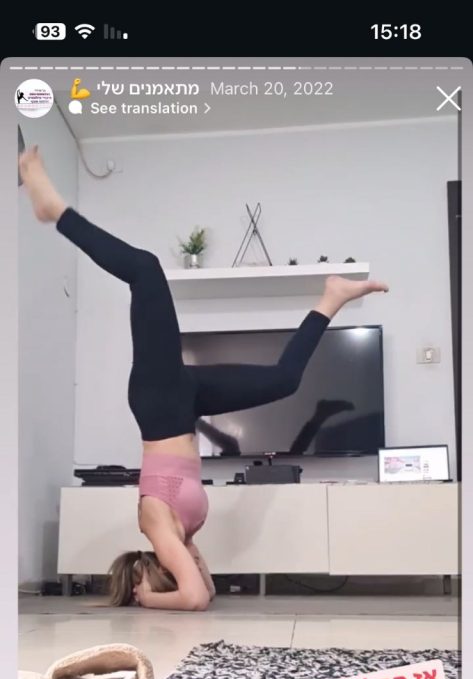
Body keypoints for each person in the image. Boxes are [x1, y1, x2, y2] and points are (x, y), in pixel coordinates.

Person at [19, 146, 388, 612]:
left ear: (153, 572)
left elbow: (192, 598)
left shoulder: (156, 526)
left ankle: (55, 210)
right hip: (184, 404)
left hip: (159, 403)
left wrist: (148, 600)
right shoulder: (183, 535)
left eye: (154, 577)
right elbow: (205, 593)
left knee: (145, 270)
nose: (189, 564)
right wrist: (175, 579)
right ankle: (331, 298)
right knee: (284, 380)